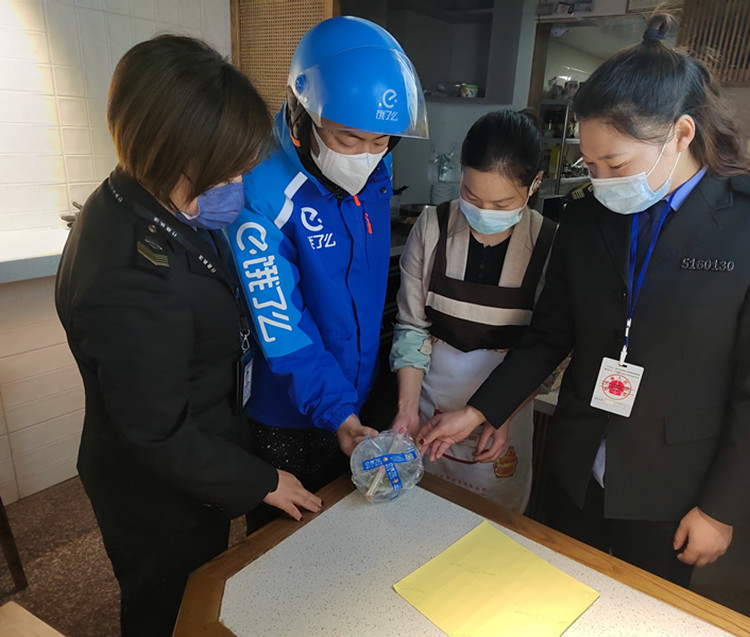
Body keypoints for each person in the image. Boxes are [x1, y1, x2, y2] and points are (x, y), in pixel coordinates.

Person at [419, 14, 750, 588]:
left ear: (680, 135)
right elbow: (549, 336)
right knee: (550, 591)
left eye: (617, 164)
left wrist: (722, 508)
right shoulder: (589, 216)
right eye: (591, 164)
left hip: (672, 486)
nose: (604, 179)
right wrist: (480, 410)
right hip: (576, 462)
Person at [55, 36, 322, 636]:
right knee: (170, 608)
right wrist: (262, 481)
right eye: (225, 169)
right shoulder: (128, 275)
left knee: (201, 588)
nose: (236, 182)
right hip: (157, 488)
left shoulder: (151, 201)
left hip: (196, 457)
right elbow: (158, 431)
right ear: (167, 150)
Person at [225, 16, 428, 528]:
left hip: (356, 396)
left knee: (358, 533)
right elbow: (283, 328)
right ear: (302, 115)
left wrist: (352, 407)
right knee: (286, 544)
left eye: (381, 141)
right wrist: (337, 409)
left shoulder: (376, 165)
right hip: (291, 413)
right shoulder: (261, 195)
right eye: (348, 138)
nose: (366, 157)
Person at [390, 110, 556, 513]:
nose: (484, 211)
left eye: (502, 203)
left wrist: (500, 414)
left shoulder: (550, 245)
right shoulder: (432, 227)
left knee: (492, 523)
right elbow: (412, 326)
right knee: (421, 510)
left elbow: (548, 352)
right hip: (430, 404)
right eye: (471, 196)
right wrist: (407, 411)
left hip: (504, 416)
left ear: (534, 183)